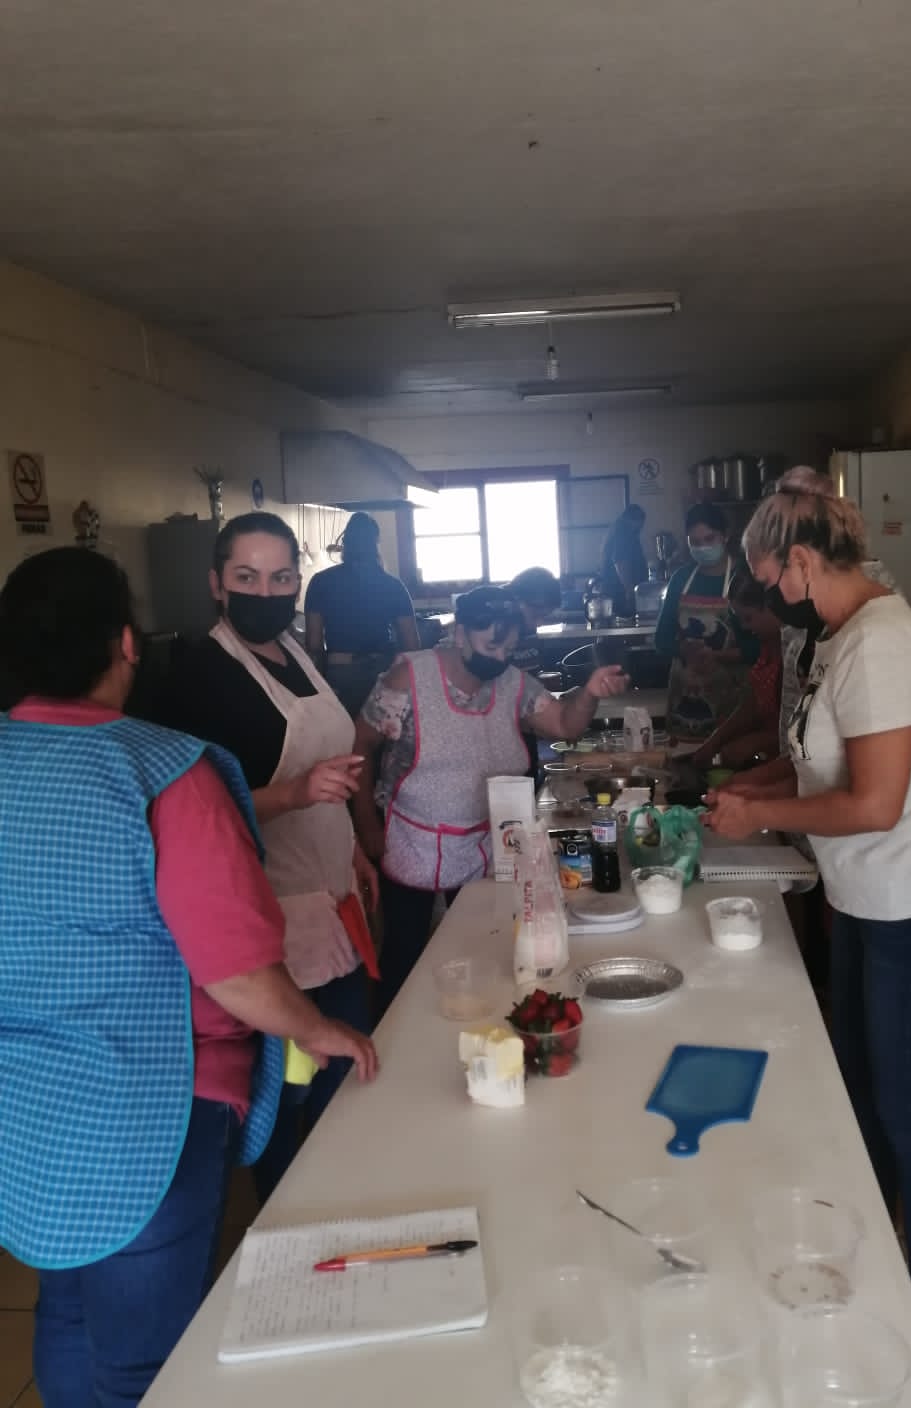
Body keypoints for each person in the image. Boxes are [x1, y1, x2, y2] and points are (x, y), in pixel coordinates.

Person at [0, 547, 377, 1407]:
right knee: (145, 1362)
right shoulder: (164, 771)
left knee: (67, 1307)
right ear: (127, 645)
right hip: (147, 1107)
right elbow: (235, 970)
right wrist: (319, 1028)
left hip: (24, 1097)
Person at [707, 473, 911, 1397]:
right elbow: (818, 762)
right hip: (872, 901)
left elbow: (874, 803)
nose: (770, 601)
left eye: (771, 582)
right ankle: (869, 1275)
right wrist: (753, 787)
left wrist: (760, 819)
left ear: (800, 561)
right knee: (861, 1102)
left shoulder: (880, 643)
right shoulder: (838, 639)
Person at [155, 511, 380, 1202]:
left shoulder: (295, 653)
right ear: (217, 584)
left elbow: (331, 771)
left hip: (331, 898)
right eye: (247, 577)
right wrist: (294, 794)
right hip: (271, 923)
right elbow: (189, 822)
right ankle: (291, 1216)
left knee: (349, 1073)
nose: (266, 592)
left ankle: (352, 1197)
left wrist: (351, 849)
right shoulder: (199, 678)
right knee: (290, 1090)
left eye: (282, 578)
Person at [352, 585, 627, 1017]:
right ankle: (394, 1034)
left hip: (485, 844)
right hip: (411, 842)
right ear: (460, 633)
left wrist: (589, 692)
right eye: (491, 646)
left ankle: (476, 1024)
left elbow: (563, 724)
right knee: (405, 954)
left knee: (483, 946)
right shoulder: (408, 679)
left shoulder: (513, 683)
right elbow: (361, 746)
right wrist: (366, 822)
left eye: (509, 649)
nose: (499, 658)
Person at [654, 503, 757, 740]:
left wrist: (719, 656)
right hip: (684, 699)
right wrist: (684, 650)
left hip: (733, 699)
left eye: (709, 539)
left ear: (725, 535)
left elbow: (760, 647)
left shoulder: (744, 576)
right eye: (695, 541)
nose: (702, 547)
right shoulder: (681, 579)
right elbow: (661, 639)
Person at [305, 511, 420, 719]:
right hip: (383, 671)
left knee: (344, 732)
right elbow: (411, 645)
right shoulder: (392, 585)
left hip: (341, 672)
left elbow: (314, 644)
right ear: (375, 544)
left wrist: (321, 688)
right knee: (382, 733)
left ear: (345, 543)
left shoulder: (321, 582)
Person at [690, 572, 782, 768]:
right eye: (740, 619)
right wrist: (716, 740)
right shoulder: (768, 645)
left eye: (748, 618)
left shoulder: (800, 649)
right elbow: (754, 702)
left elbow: (805, 728)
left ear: (772, 606)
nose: (744, 626)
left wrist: (758, 741)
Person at [508, 566, 563, 779]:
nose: (539, 622)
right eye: (536, 614)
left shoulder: (527, 629)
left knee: (529, 777)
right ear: (517, 599)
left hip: (526, 728)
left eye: (544, 616)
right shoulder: (494, 633)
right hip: (502, 732)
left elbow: (528, 679)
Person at [598, 503, 648, 618]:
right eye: (641, 523)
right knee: (626, 626)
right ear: (634, 520)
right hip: (621, 596)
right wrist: (630, 591)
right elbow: (620, 562)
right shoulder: (624, 534)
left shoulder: (617, 532)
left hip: (616, 593)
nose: (641, 527)